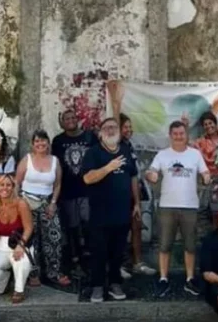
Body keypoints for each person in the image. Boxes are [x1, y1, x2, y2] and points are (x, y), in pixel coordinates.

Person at [145, 121, 210, 298]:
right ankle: (163, 279)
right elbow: (151, 171)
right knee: (165, 245)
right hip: (167, 206)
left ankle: (189, 279)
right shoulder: (162, 155)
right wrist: (151, 174)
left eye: (182, 133)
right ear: (170, 135)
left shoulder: (195, 155)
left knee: (190, 245)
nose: (179, 136)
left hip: (190, 206)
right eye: (175, 134)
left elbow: (205, 172)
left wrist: (206, 176)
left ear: (186, 134)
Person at [82, 117, 141, 303]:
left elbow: (133, 177)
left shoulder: (125, 151)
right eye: (106, 127)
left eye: (113, 127)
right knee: (99, 252)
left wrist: (137, 203)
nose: (110, 130)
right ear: (100, 133)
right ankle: (98, 287)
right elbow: (87, 178)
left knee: (118, 253)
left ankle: (115, 283)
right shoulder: (93, 153)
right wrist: (108, 167)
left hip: (122, 213)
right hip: (100, 214)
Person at [16, 130, 71, 287]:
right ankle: (33, 274)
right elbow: (17, 183)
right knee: (32, 239)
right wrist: (18, 202)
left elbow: (58, 184)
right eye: (37, 141)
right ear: (33, 144)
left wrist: (53, 202)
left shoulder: (55, 161)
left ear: (48, 143)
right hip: (27, 202)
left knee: (54, 237)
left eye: (43, 141)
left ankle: (54, 272)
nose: (40, 144)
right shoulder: (26, 160)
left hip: (47, 202)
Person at [51, 109, 97, 271]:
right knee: (72, 225)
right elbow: (55, 166)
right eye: (66, 118)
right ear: (62, 122)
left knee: (88, 222)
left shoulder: (90, 137)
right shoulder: (57, 141)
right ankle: (75, 257)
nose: (70, 120)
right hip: (68, 190)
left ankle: (91, 255)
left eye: (72, 117)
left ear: (78, 119)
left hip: (88, 190)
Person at [0, 174, 34, 303]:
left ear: (13, 187)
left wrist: (21, 244)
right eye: (1, 185)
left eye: (8, 185)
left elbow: (29, 228)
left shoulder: (21, 204)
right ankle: (5, 281)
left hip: (20, 241)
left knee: (21, 260)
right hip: (1, 245)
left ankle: (19, 290)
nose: (5, 188)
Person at [119, 113, 157, 278]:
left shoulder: (129, 145)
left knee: (136, 227)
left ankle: (137, 263)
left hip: (135, 194)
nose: (129, 130)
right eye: (125, 127)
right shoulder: (117, 146)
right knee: (119, 231)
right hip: (120, 195)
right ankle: (118, 264)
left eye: (130, 127)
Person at [193, 111, 218, 226]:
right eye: (206, 124)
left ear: (215, 123)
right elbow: (187, 146)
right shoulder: (200, 142)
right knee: (214, 213)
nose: (209, 126)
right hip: (212, 182)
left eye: (210, 123)